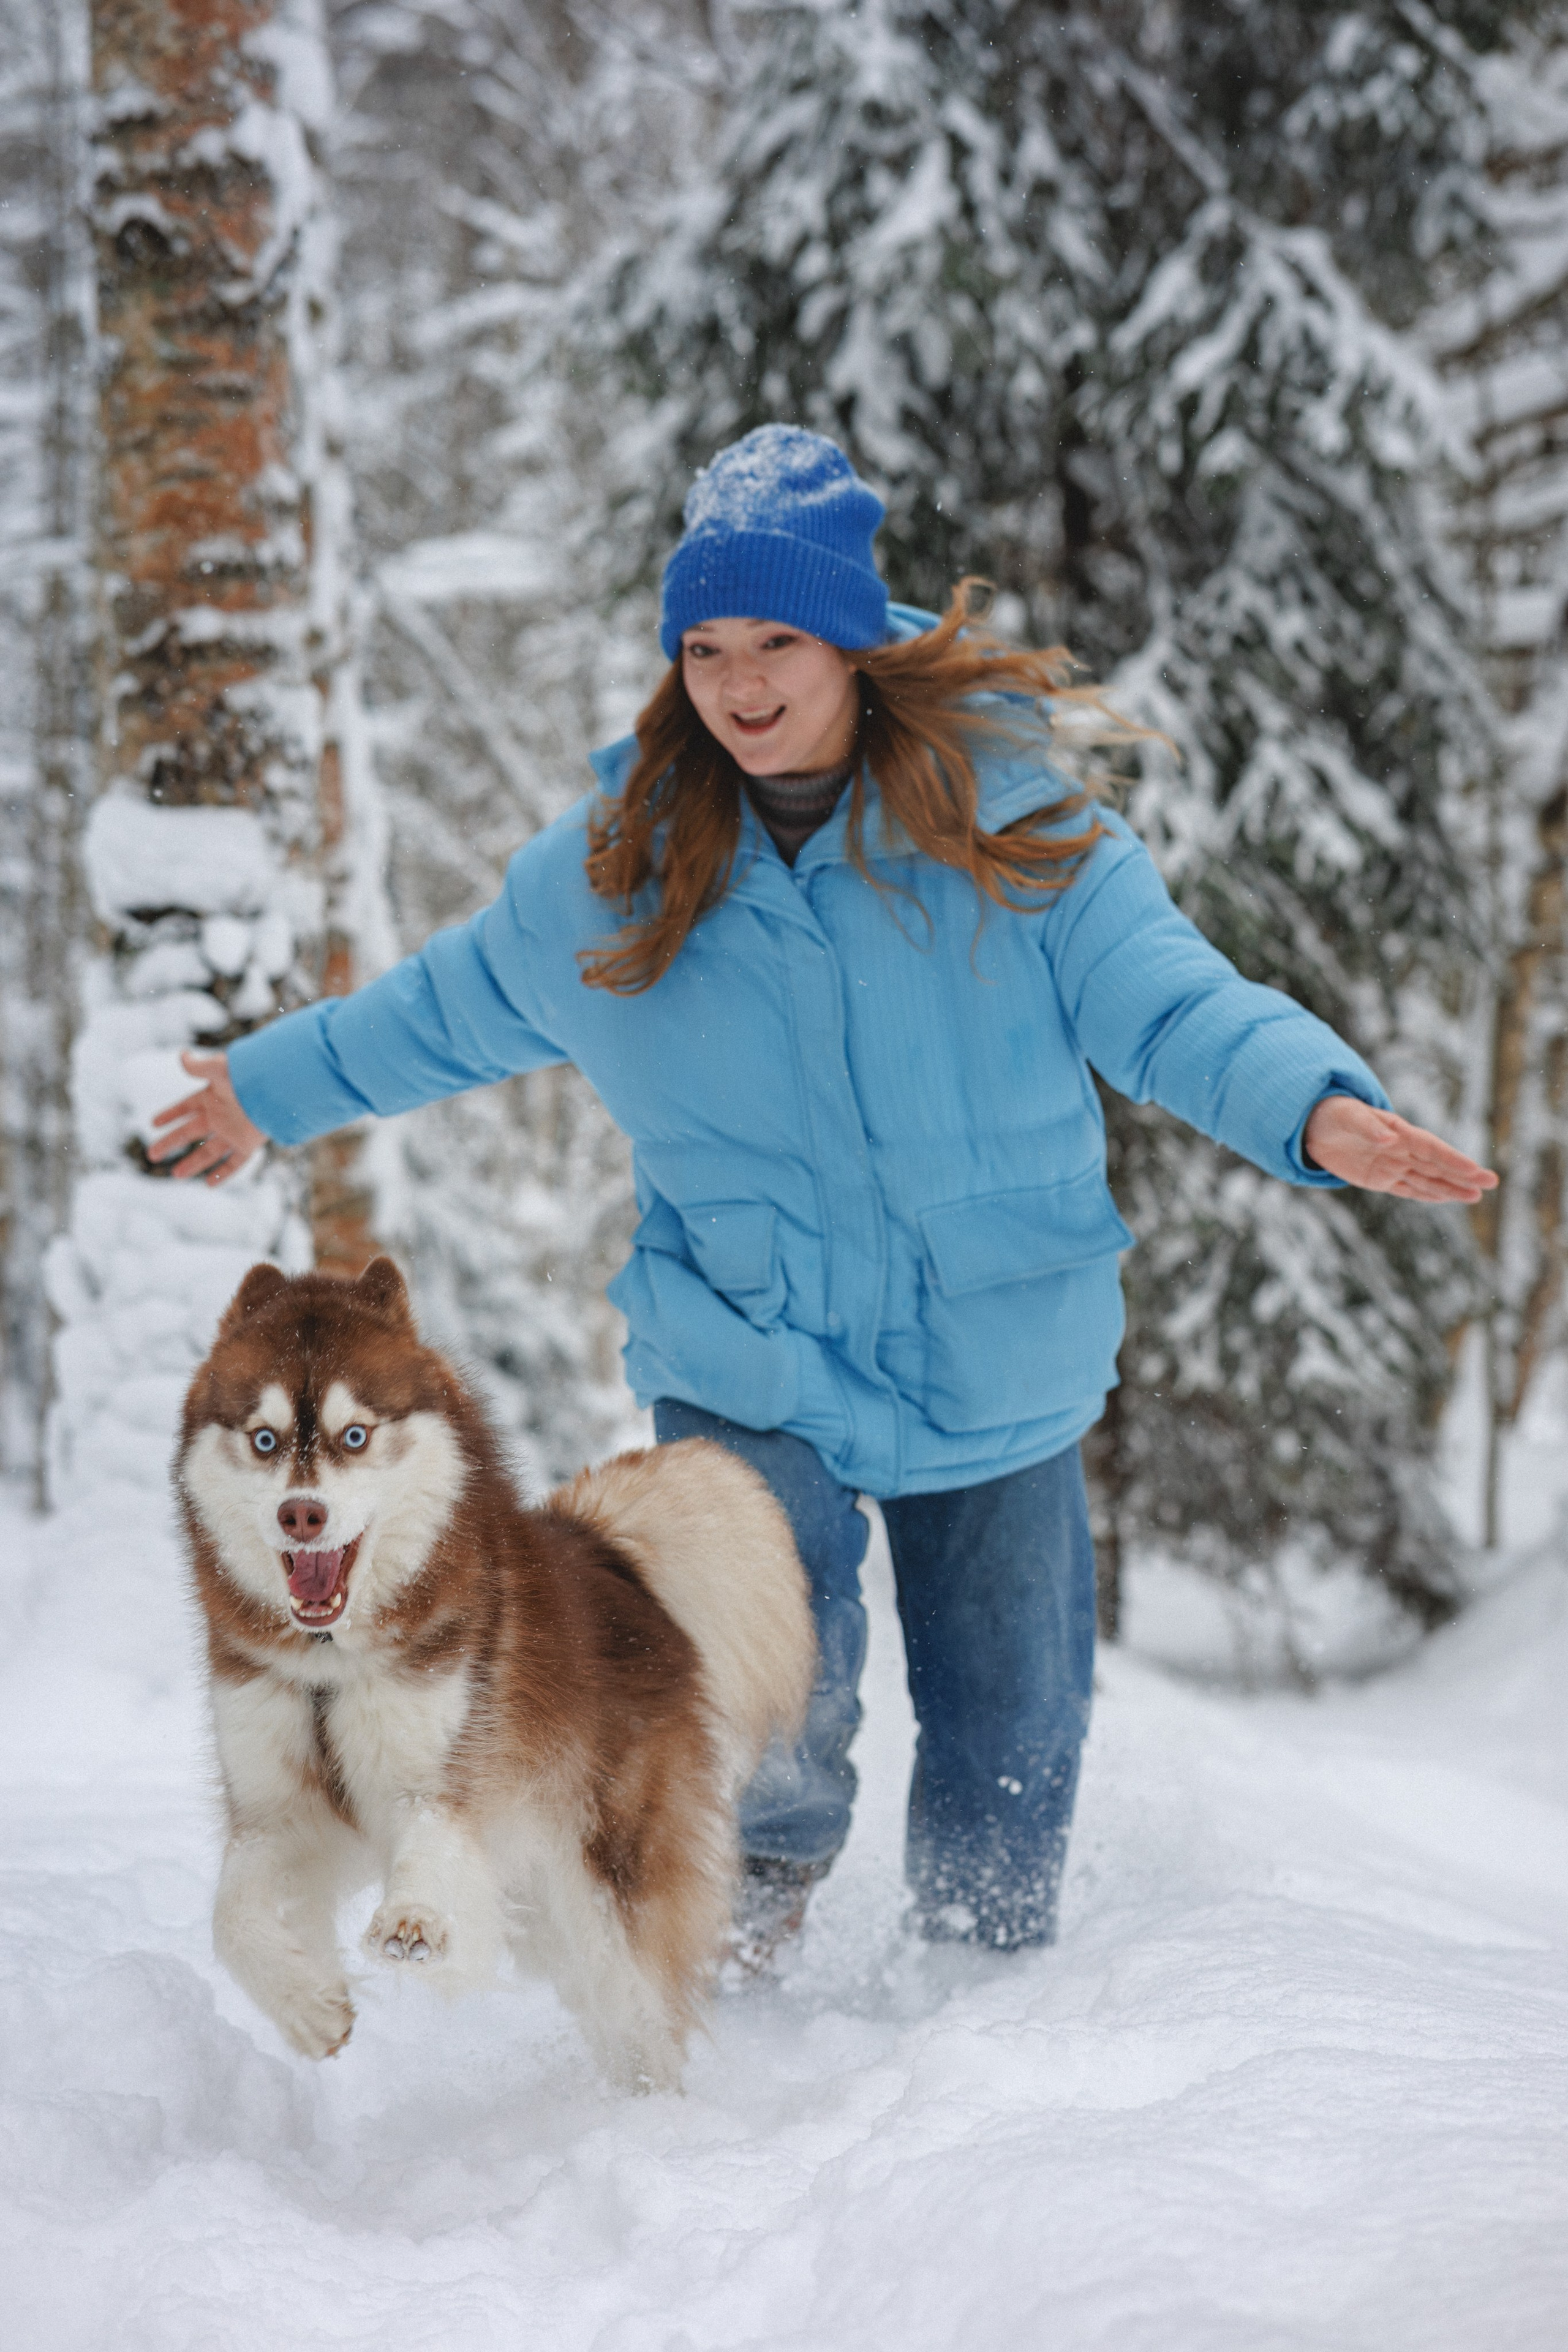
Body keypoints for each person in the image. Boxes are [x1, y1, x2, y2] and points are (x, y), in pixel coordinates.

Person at [152, 425, 1496, 1960]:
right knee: (770, 1677)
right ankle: (739, 1943)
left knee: (1011, 1723)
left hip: (998, 1340)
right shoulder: (613, 874)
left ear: (853, 642)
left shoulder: (1018, 839)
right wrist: (261, 1089)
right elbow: (435, 1015)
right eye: (705, 648)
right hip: (750, 1345)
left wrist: (1311, 1107)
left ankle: (982, 1983)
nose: (739, 683)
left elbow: (1170, 1002)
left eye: (777, 640)